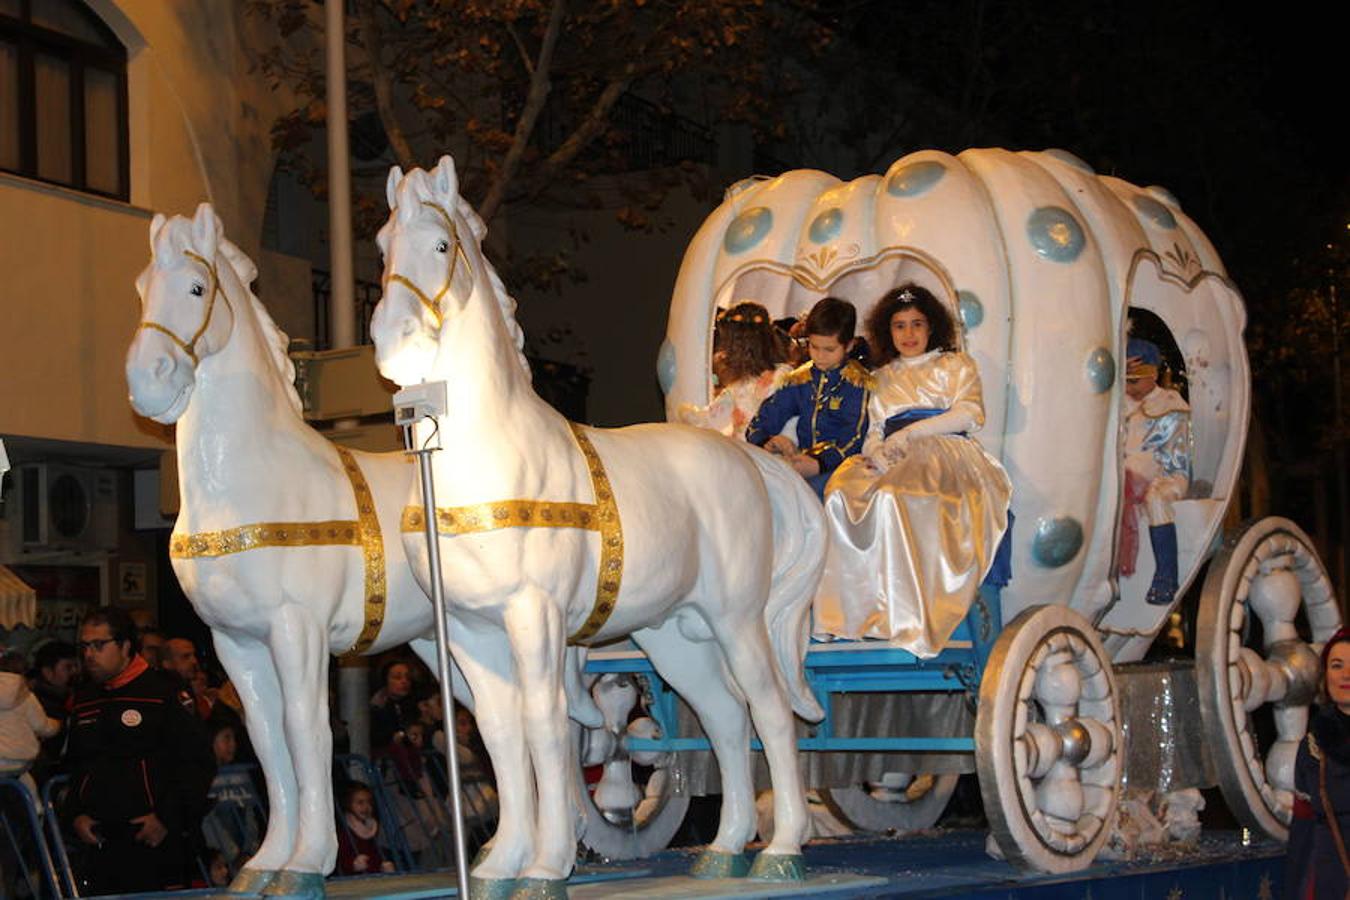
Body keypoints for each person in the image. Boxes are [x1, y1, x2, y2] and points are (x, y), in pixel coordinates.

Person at [815, 284, 1012, 653]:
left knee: (894, 495)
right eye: (899, 325)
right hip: (893, 452)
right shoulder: (883, 375)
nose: (908, 334)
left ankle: (910, 617)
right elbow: (873, 428)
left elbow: (969, 414)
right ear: (887, 332)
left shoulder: (955, 365)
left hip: (945, 451)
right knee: (841, 494)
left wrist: (910, 434)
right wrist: (875, 451)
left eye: (917, 324)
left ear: (932, 327)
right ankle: (856, 616)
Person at [60, 607, 216, 895]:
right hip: (99, 840)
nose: (89, 654)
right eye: (84, 646)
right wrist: (75, 815)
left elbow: (198, 762)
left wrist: (167, 819)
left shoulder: (164, 692)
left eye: (98, 645)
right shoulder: (85, 697)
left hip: (153, 838)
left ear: (125, 646)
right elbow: (77, 765)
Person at [745, 296, 871, 497]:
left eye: (829, 349)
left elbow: (855, 435)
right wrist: (766, 440)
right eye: (814, 347)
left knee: (809, 495)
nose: (820, 356)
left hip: (841, 468)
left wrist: (820, 463)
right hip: (801, 463)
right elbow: (768, 415)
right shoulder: (799, 379)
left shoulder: (857, 383)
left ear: (849, 346)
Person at [1119, 337, 1192, 606]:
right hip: (1126, 477)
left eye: (1134, 380)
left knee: (1156, 499)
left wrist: (1141, 476)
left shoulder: (1170, 405)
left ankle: (1166, 577)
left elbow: (1174, 455)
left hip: (1168, 474)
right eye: (1125, 380)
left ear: (1152, 375)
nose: (1128, 387)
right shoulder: (1120, 405)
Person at [1285, 627, 1350, 900]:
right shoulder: (1313, 747)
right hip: (1330, 876)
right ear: (1325, 676)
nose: (1346, 675)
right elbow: (1303, 829)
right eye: (1337, 665)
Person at [676, 301, 791, 438]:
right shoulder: (739, 384)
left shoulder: (780, 378)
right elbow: (708, 420)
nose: (724, 351)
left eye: (728, 343)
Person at [0, 650, 60, 804]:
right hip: (19, 761)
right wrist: (57, 724)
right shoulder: (27, 696)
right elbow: (43, 727)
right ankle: (37, 810)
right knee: (24, 776)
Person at [336, 783, 396, 875]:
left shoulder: (371, 826)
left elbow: (375, 854)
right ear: (348, 805)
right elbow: (339, 860)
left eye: (369, 802)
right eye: (360, 802)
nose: (366, 807)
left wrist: (383, 866)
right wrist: (352, 865)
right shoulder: (343, 831)